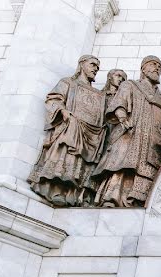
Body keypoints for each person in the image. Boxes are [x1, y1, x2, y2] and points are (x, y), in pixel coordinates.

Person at [92, 55, 161, 207]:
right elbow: (119, 104)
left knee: (146, 170)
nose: (157, 68)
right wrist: (122, 117)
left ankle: (136, 200)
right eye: (153, 64)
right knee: (123, 165)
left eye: (159, 67)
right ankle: (112, 199)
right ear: (143, 68)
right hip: (131, 134)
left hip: (152, 143)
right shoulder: (130, 85)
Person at [28, 55, 106, 206]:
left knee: (82, 164)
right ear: (82, 65)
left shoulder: (99, 94)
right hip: (71, 128)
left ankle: (75, 195)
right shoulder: (68, 82)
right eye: (92, 64)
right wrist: (63, 111)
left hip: (91, 135)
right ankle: (57, 190)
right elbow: (53, 99)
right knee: (66, 157)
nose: (95, 68)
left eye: (97, 66)